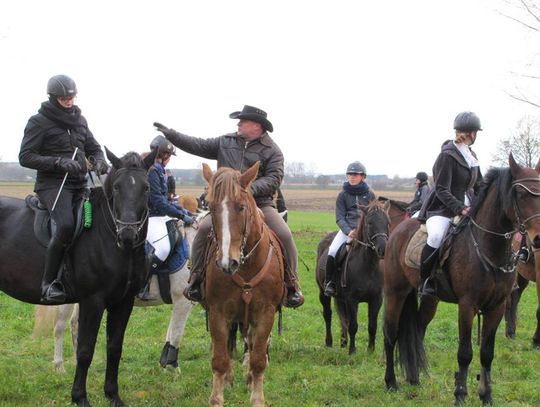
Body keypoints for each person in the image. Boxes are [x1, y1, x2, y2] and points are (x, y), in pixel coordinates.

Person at [153, 105, 304, 308]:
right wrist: (171, 134)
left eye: (243, 120)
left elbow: (274, 179)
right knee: (203, 230)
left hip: (260, 203)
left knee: (284, 234)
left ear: (257, 126)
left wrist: (244, 190)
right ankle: (196, 280)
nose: (238, 123)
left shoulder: (273, 150)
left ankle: (292, 284)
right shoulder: (226, 141)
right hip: (225, 205)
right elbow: (197, 144)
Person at [19, 74, 109, 303]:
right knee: (67, 224)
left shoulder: (80, 121)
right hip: (53, 185)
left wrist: (99, 160)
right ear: (53, 97)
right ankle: (48, 283)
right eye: (63, 98)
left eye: (71, 97)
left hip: (81, 183)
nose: (69, 101)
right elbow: (26, 156)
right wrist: (57, 162)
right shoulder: (38, 121)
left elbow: (94, 148)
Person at [417, 111, 483, 296]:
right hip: (441, 209)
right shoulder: (447, 155)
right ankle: (426, 280)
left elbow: (480, 185)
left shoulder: (471, 155)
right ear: (472, 133)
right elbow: (441, 189)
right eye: (476, 132)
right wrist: (460, 208)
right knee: (437, 236)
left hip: (469, 206)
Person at [140, 135, 194, 300]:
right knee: (163, 248)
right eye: (169, 156)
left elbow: (166, 199)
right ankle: (143, 284)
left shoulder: (160, 170)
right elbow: (157, 201)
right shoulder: (152, 170)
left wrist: (184, 211)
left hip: (161, 216)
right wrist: (180, 215)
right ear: (164, 154)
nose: (169, 159)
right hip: (151, 217)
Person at [324, 161, 376, 297]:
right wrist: (349, 231)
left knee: (381, 249)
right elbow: (340, 217)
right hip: (348, 230)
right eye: (349, 174)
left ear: (363, 177)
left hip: (366, 230)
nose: (352, 177)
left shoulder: (370, 195)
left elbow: (374, 215)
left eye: (355, 174)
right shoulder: (342, 195)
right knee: (333, 250)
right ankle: (330, 282)